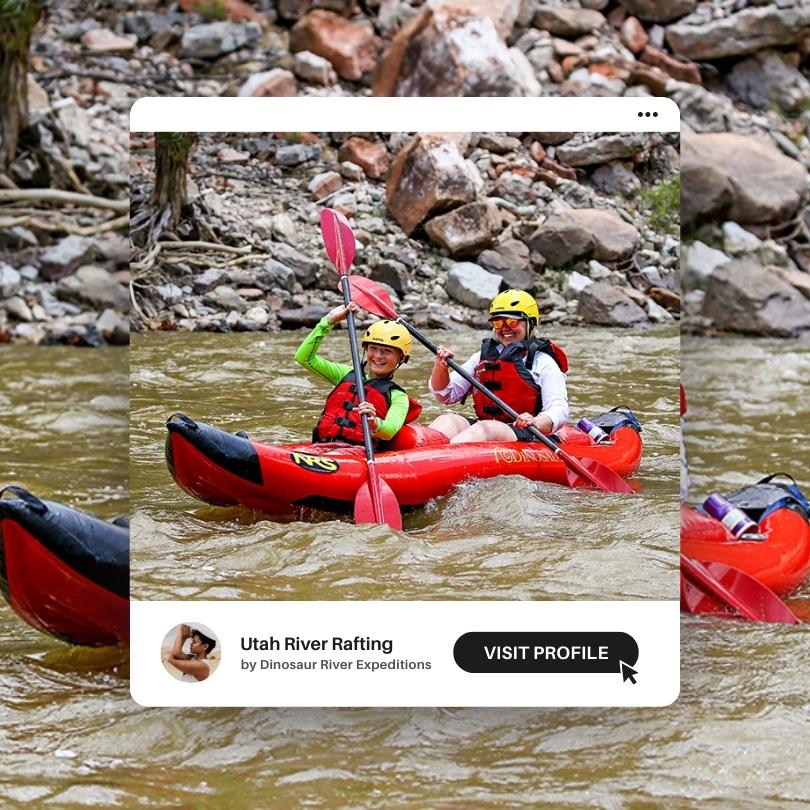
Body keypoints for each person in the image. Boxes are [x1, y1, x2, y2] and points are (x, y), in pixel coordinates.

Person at [429, 289, 569, 444]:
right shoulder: (481, 358)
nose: (504, 328)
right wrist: (441, 366)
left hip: (528, 433)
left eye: (512, 322)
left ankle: (446, 459)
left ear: (529, 323)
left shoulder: (543, 362)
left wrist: (536, 421)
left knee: (487, 429)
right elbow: (445, 395)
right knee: (448, 420)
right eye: (498, 322)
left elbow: (559, 408)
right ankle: (418, 457)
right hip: (486, 426)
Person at [295, 302, 421, 447]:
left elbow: (390, 430)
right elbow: (304, 357)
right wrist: (329, 321)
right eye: (373, 348)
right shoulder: (345, 374)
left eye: (387, 351)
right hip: (320, 447)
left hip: (357, 453)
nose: (378, 356)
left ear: (401, 358)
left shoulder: (398, 396)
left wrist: (374, 422)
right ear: (366, 349)